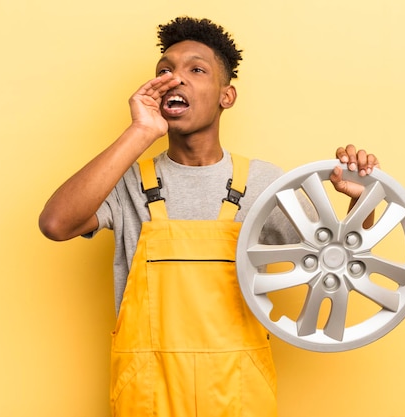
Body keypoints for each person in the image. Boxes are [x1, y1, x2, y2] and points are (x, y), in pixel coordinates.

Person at [39, 16, 379, 417]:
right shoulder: (128, 181)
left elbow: (338, 261)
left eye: (195, 70)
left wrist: (363, 203)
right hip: (148, 392)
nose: (174, 79)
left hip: (239, 390)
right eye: (164, 70)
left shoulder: (263, 182)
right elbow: (56, 224)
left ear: (226, 96)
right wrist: (141, 132)